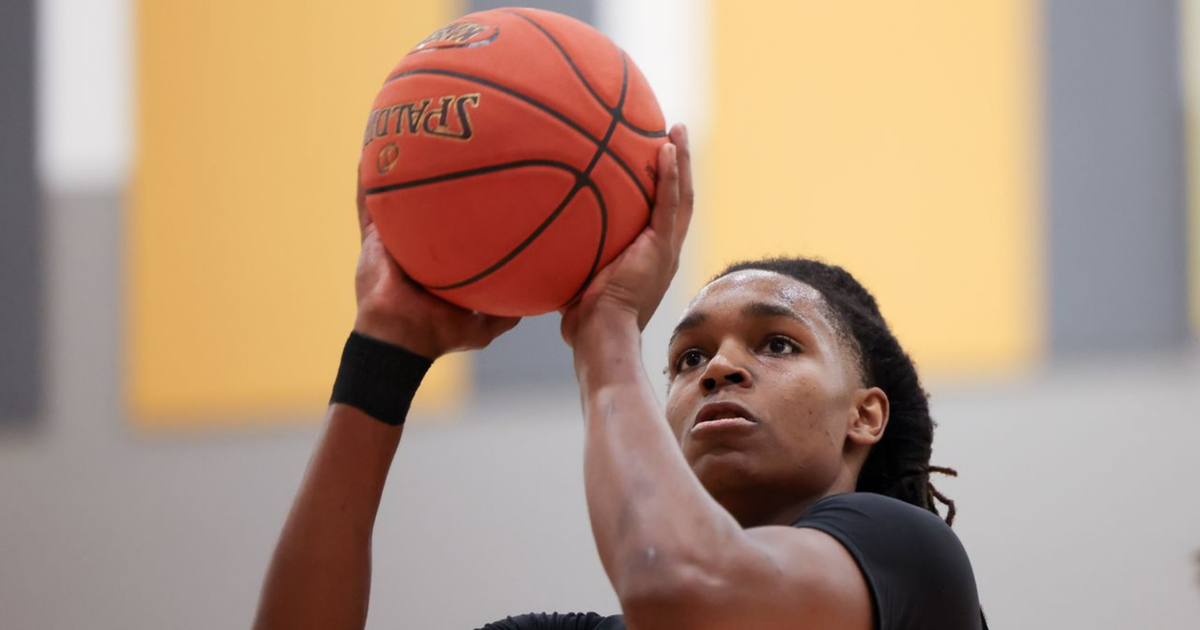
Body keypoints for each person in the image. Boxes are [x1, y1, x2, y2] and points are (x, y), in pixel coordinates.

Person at [252, 125, 986, 630]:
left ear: (865, 415)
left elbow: (684, 589)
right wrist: (385, 351)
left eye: (778, 344)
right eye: (687, 359)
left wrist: (607, 325)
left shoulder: (909, 560)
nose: (720, 368)